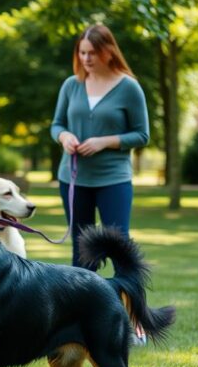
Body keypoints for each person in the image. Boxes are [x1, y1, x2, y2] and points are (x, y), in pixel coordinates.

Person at [51, 24, 150, 342]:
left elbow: (142, 134)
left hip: (113, 179)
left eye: (93, 52)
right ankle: (79, 324)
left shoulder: (129, 87)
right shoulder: (72, 85)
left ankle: (133, 322)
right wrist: (64, 136)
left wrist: (105, 141)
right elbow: (57, 124)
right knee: (82, 256)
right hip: (74, 178)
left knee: (119, 250)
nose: (87, 58)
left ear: (109, 51)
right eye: (82, 52)